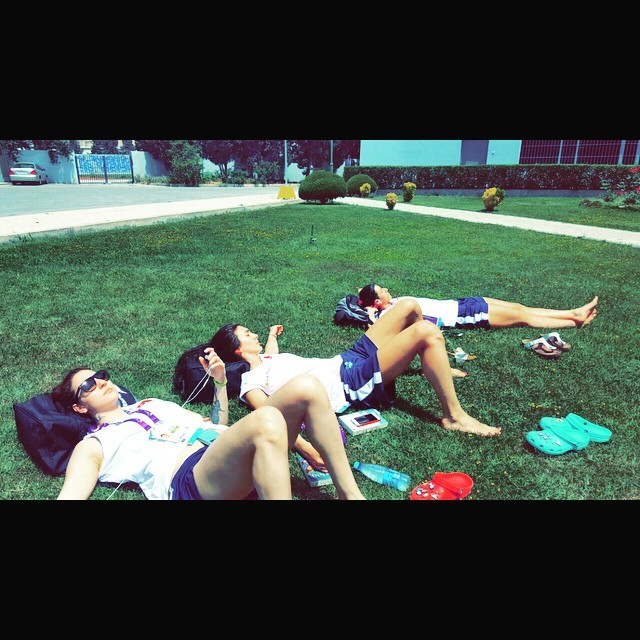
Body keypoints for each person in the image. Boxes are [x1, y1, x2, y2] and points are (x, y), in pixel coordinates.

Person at [53, 348, 365, 500]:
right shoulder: (94, 443)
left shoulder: (151, 403)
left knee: (307, 386)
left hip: (223, 453)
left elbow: (216, 424)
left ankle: (350, 495)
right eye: (88, 385)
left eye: (101, 376)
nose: (100, 382)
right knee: (267, 419)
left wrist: (219, 382)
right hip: (189, 479)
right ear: (79, 407)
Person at [210, 299, 501, 459]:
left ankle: (431, 362)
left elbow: (271, 349)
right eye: (247, 334)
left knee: (409, 307)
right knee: (426, 331)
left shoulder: (267, 359)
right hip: (350, 383)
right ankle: (454, 416)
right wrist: (308, 449)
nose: (254, 334)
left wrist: (272, 334)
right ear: (237, 350)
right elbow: (268, 416)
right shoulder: (250, 382)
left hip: (346, 359)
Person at [357, 283, 599, 330]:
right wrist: (370, 313)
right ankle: (573, 321)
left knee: (519, 306)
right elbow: (375, 331)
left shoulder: (393, 303)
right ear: (377, 302)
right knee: (523, 317)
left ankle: (572, 313)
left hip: (462, 303)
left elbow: (361, 295)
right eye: (381, 290)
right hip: (464, 315)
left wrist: (364, 297)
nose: (386, 289)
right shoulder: (390, 314)